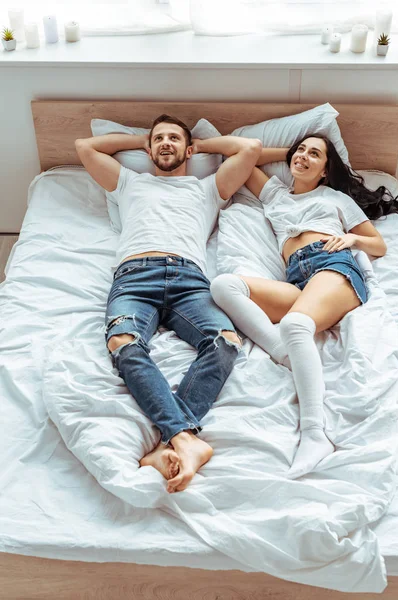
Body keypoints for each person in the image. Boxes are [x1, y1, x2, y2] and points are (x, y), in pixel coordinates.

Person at [75, 114, 262, 493]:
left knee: (225, 341)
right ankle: (185, 437)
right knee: (123, 344)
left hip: (189, 280)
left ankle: (170, 442)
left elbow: (250, 149)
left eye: (174, 139)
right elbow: (85, 147)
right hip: (134, 276)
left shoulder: (207, 187)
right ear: (148, 148)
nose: (165, 144)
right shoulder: (128, 182)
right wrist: (139, 141)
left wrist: (201, 147)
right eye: (158, 139)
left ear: (188, 149)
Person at [211, 133, 398, 479]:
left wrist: (353, 238)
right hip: (297, 278)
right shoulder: (274, 194)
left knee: (297, 324)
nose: (303, 156)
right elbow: (243, 154)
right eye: (300, 150)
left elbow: (379, 244)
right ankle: (282, 352)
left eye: (315, 154)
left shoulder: (335, 198)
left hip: (334, 267)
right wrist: (287, 153)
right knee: (224, 285)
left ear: (326, 170)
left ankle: (315, 433)